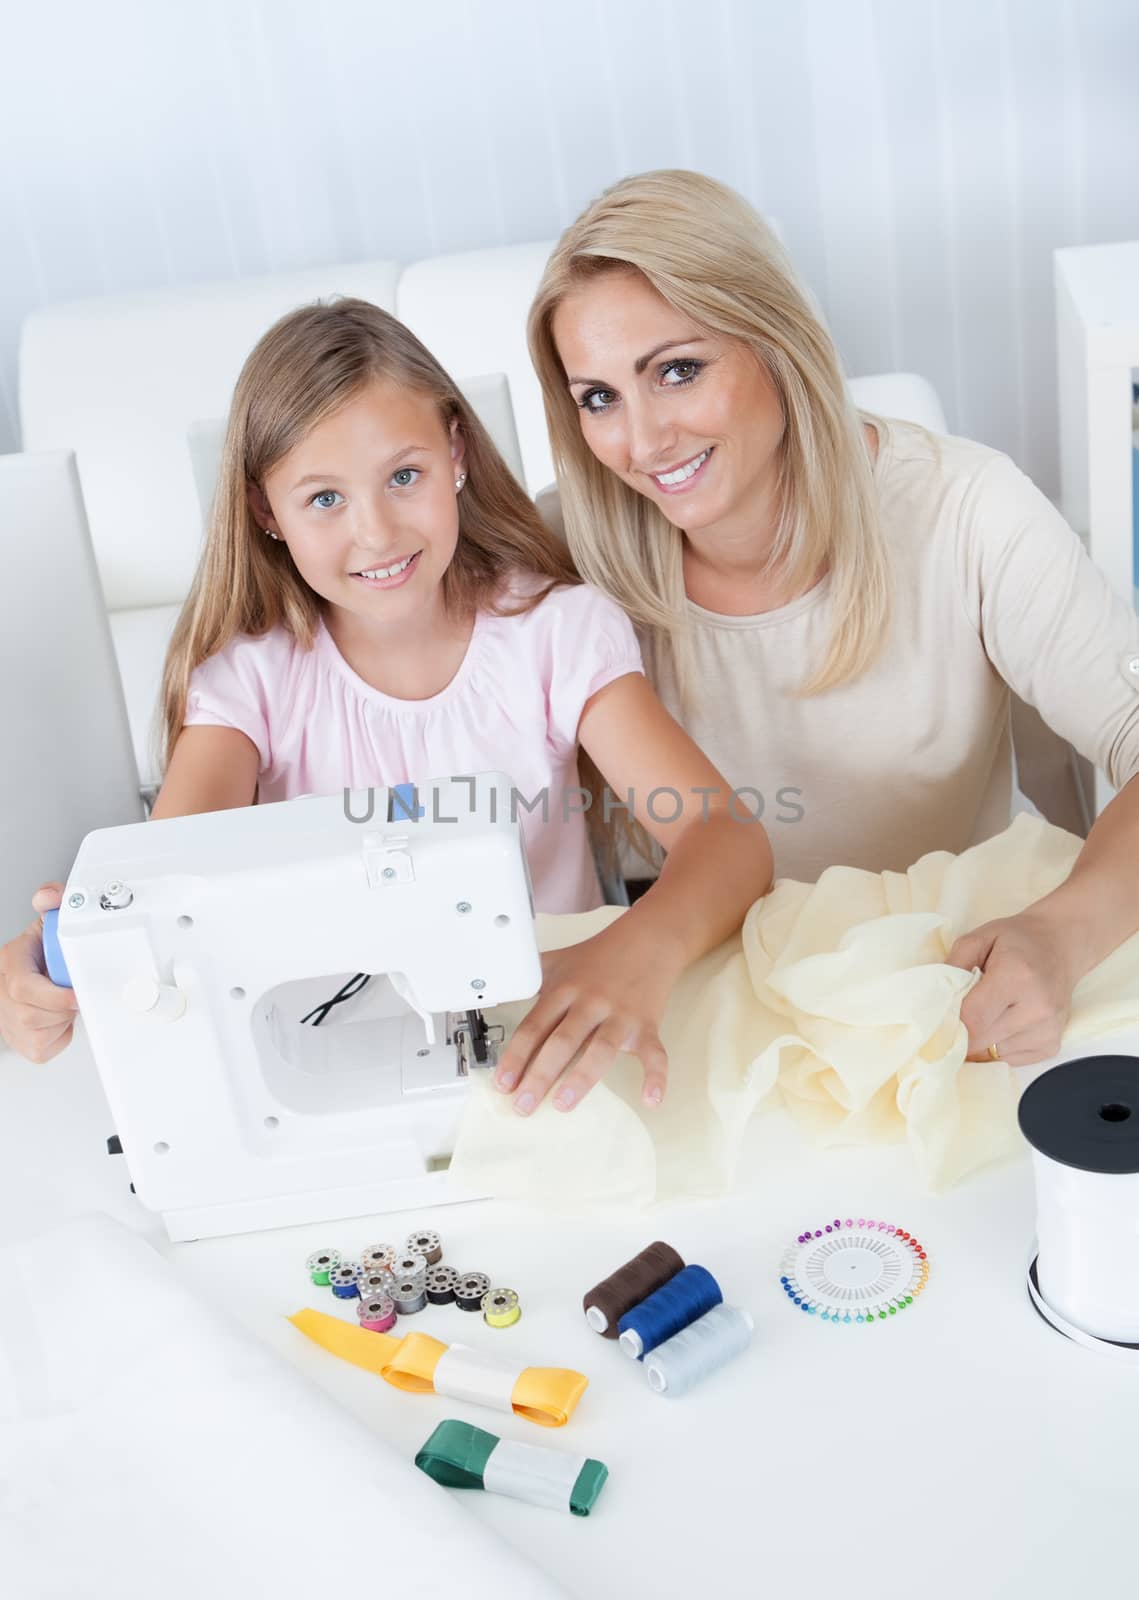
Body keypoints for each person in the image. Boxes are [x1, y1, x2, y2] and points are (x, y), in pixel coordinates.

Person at [0, 300, 773, 1110]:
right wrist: (55, 963)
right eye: (323, 500)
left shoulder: (555, 635)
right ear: (267, 511)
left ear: (455, 453)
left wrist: (630, 952)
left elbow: (722, 835)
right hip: (336, 1075)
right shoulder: (249, 687)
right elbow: (160, 882)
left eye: (404, 477)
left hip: (543, 1058)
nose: (375, 535)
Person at [527, 168, 1139, 1070]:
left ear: (775, 341)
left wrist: (1064, 931)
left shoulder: (967, 509)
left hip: (950, 988)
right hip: (710, 1000)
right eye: (599, 398)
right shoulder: (557, 552)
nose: (643, 440)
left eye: (678, 370)